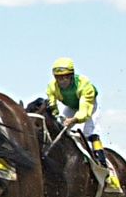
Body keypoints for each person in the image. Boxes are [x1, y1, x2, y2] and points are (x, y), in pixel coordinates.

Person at [47, 58, 118, 188]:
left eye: (65, 77)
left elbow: (84, 112)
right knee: (60, 131)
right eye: (59, 78)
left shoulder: (85, 85)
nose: (62, 81)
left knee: (89, 133)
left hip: (89, 106)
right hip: (71, 107)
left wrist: (73, 120)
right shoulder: (52, 87)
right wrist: (56, 117)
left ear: (71, 76)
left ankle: (106, 170)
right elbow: (52, 106)